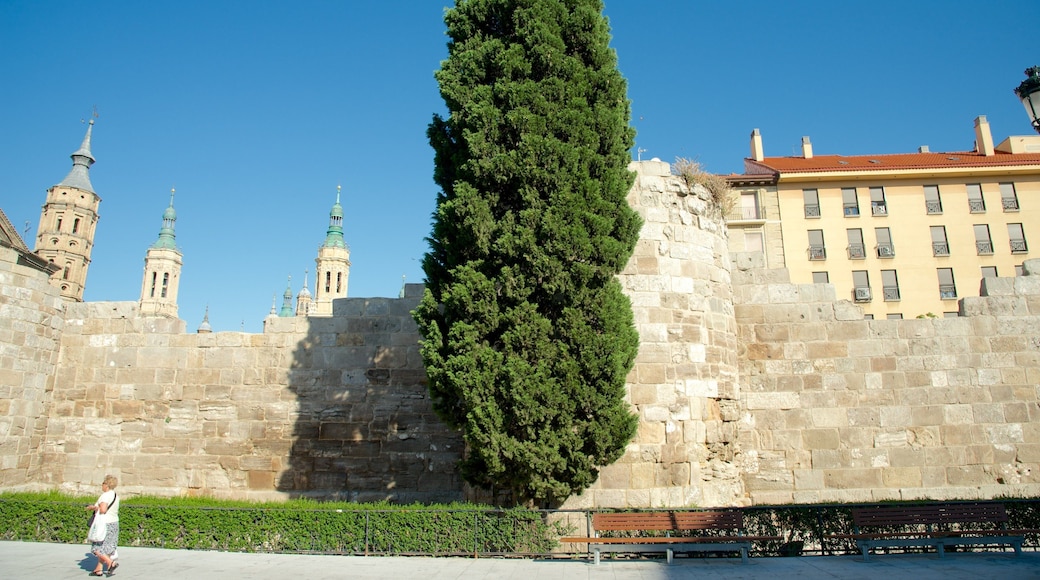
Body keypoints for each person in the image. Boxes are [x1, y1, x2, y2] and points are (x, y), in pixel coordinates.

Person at [86, 475, 120, 576]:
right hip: (114, 522)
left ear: (106, 485)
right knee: (107, 547)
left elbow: (103, 510)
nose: (102, 485)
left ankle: (110, 563)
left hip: (104, 523)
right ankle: (99, 569)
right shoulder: (115, 495)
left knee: (96, 547)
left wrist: (94, 508)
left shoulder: (105, 496)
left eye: (103, 483)